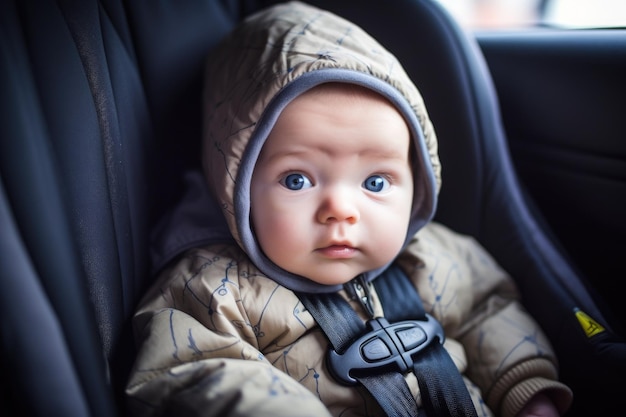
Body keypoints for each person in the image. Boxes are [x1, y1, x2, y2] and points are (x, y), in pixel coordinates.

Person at [125, 2, 573, 416]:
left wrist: (524, 390)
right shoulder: (212, 291)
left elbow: (489, 310)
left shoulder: (437, 257)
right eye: (296, 180)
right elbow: (194, 373)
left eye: (375, 183)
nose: (341, 211)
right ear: (235, 185)